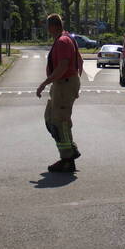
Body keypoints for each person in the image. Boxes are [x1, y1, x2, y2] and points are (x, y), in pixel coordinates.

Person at [37, 14, 82, 172]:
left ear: (53, 26)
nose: (47, 29)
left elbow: (63, 66)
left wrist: (44, 83)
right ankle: (70, 150)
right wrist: (75, 82)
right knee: (51, 117)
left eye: (47, 26)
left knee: (59, 122)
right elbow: (80, 61)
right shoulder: (67, 38)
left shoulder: (62, 41)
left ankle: (67, 159)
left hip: (64, 84)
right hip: (64, 84)